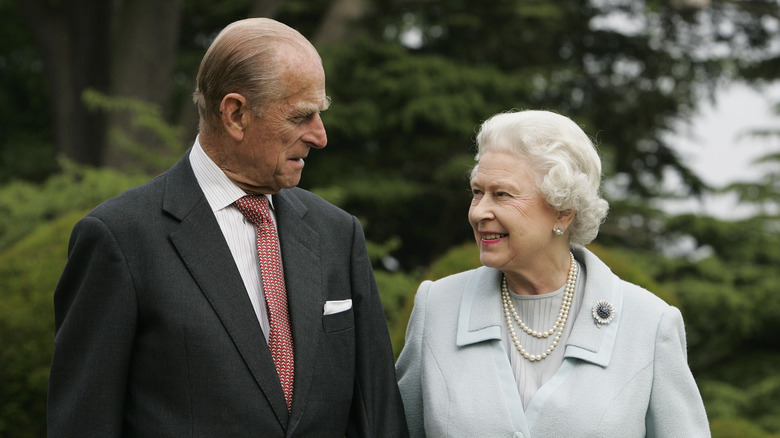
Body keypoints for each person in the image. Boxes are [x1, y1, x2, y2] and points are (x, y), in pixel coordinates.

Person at [48, 17, 408, 437]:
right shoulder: (119, 239)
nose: (320, 136)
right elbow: (84, 424)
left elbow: (379, 417)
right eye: (301, 116)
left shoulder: (338, 234)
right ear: (235, 114)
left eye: (320, 114)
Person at [395, 110, 710, 437]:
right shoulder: (437, 308)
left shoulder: (649, 323)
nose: (479, 212)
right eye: (477, 192)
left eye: (502, 194)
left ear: (562, 211)